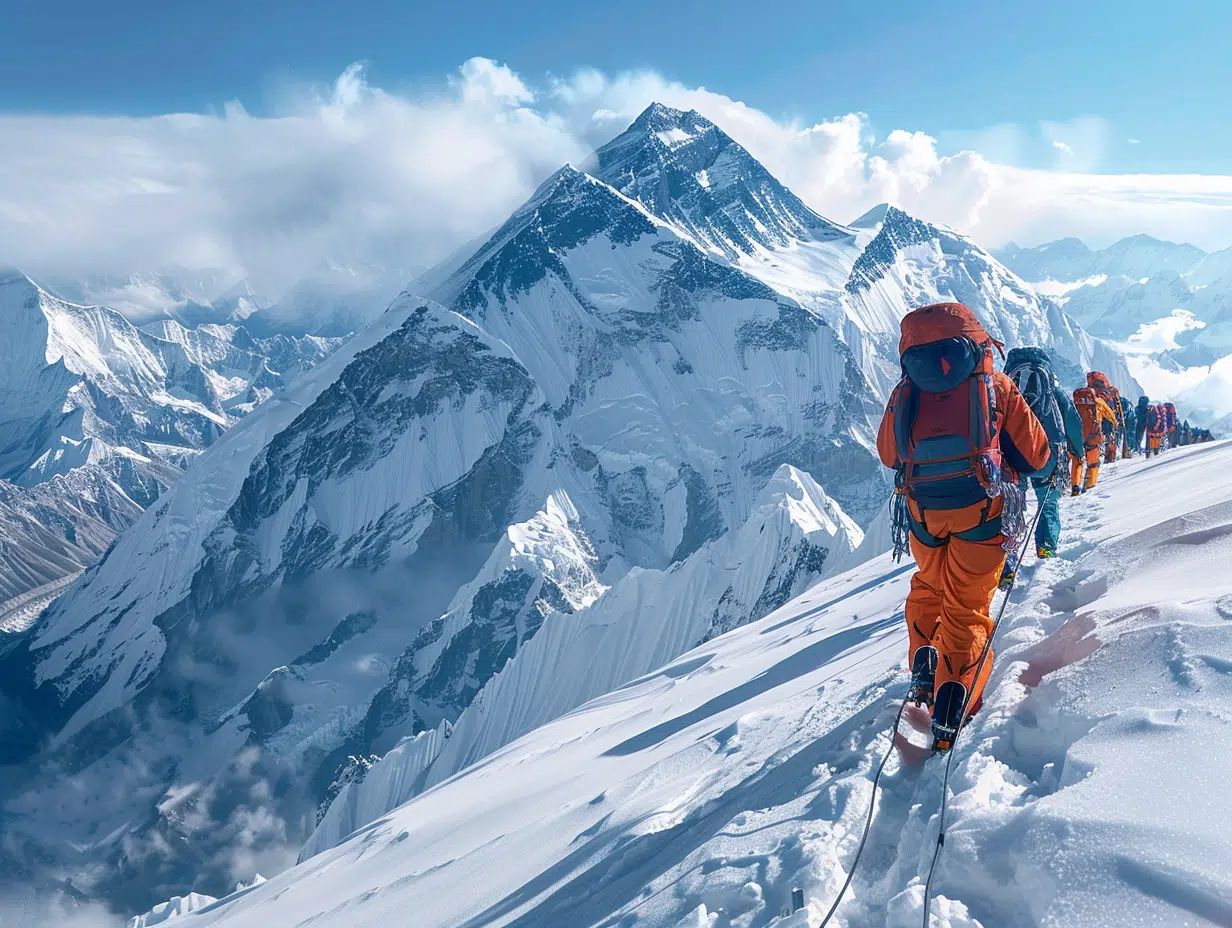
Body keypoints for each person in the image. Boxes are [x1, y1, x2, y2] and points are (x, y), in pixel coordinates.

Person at [879, 302, 1050, 751]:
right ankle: (953, 705)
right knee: (966, 607)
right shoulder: (994, 385)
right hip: (982, 511)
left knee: (929, 587)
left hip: (922, 514)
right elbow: (1038, 455)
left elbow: (887, 453)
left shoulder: (905, 389)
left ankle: (923, 665)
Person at [1005, 347, 1084, 558]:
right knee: (1047, 502)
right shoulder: (1054, 391)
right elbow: (1073, 423)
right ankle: (1046, 548)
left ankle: (1007, 563)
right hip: (1047, 456)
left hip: (1012, 456)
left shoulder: (1004, 389)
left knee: (1011, 507)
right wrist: (1077, 451)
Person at [1071, 386, 1116, 492]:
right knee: (1093, 463)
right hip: (1093, 436)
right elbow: (1110, 414)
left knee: (1077, 461)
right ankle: (1089, 485)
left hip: (1077, 436)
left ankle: (1075, 486)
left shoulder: (1074, 403)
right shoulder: (1098, 402)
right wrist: (1115, 423)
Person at [1087, 372, 1124, 464]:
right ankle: (1109, 459)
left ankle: (1095, 459)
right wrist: (1119, 420)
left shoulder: (1091, 392)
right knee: (1110, 438)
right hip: (1110, 418)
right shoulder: (1111, 391)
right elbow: (1117, 406)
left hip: (1097, 419)